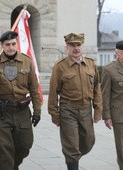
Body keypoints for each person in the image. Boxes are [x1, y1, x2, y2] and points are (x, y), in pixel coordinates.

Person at [0, 31, 41, 170]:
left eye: (13, 44)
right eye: (7, 45)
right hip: (2, 113)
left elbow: (34, 89)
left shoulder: (27, 61)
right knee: (4, 153)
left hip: (22, 111)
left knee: (25, 146)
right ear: (2, 46)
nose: (11, 47)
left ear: (16, 44)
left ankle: (14, 166)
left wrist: (37, 111)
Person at [48, 33, 102, 170]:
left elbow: (97, 88)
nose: (76, 48)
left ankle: (74, 156)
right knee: (71, 145)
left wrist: (98, 110)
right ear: (67, 47)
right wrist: (54, 114)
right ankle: (72, 163)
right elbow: (53, 92)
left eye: (78, 45)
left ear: (82, 46)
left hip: (86, 109)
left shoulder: (90, 64)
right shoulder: (60, 67)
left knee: (89, 141)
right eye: (72, 45)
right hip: (68, 110)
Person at [101, 41, 123, 169]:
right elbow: (105, 94)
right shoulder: (109, 69)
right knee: (122, 149)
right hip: (119, 116)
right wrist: (107, 116)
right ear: (117, 53)